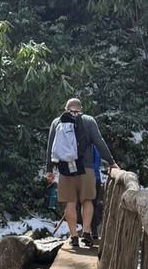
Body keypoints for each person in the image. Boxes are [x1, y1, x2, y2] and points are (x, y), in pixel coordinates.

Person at [45, 98, 119, 248]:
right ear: (81, 108)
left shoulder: (57, 122)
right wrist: (111, 162)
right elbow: (99, 142)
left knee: (70, 202)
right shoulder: (88, 120)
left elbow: (50, 147)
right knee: (87, 201)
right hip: (86, 169)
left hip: (65, 169)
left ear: (66, 108)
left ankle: (73, 237)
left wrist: (49, 169)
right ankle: (86, 233)